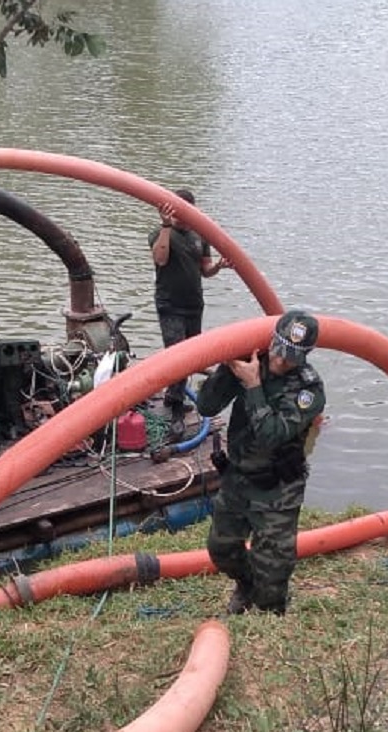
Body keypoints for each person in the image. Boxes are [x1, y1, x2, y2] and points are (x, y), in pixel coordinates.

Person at [195, 310, 326, 616]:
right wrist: (228, 370)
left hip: (278, 486)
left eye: (292, 357)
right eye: (279, 351)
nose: (281, 361)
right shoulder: (254, 363)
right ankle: (245, 585)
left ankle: (272, 613)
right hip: (238, 476)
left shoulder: (308, 390)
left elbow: (272, 435)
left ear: (306, 355)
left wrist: (253, 386)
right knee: (221, 550)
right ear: (272, 340)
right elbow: (206, 406)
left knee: (273, 571)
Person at [148, 188, 232, 415]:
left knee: (192, 357)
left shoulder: (199, 235)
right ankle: (173, 405)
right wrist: (166, 226)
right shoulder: (161, 233)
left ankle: (175, 396)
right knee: (178, 356)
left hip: (194, 304)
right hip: (170, 305)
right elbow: (160, 259)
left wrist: (218, 267)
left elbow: (205, 269)